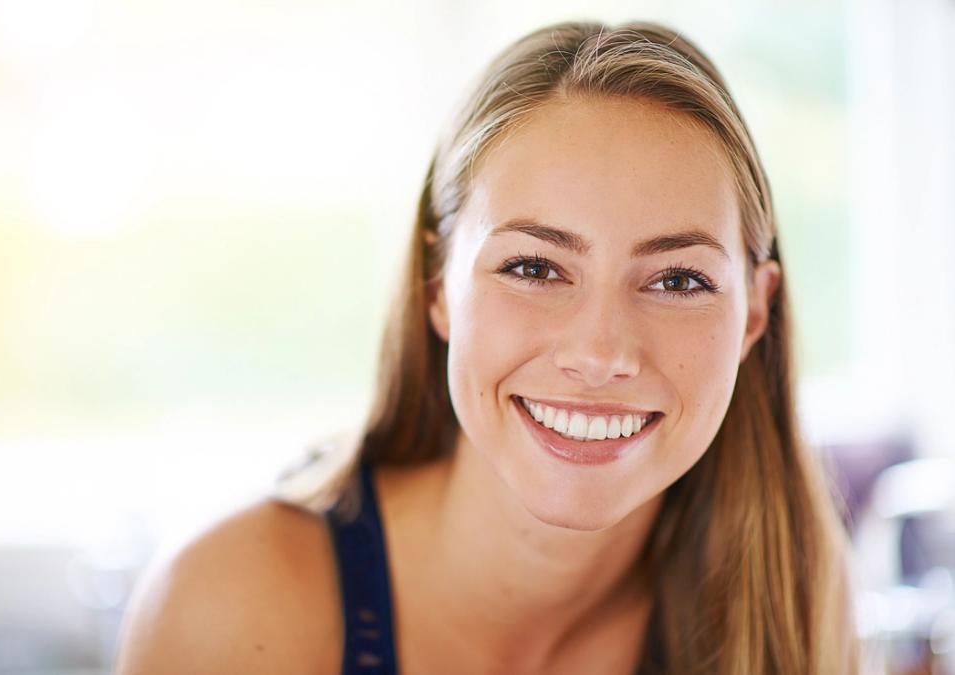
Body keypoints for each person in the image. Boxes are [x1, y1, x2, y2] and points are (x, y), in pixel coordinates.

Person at [115, 20, 857, 674]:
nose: (600, 352)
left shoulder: (789, 615)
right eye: (533, 267)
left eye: (676, 279)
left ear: (754, 316)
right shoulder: (230, 610)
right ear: (436, 286)